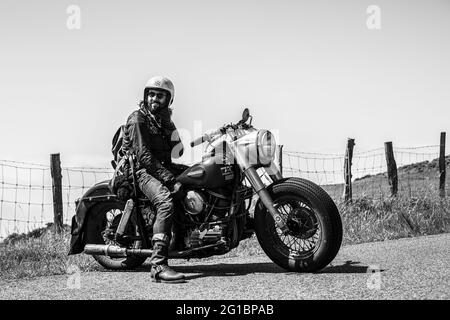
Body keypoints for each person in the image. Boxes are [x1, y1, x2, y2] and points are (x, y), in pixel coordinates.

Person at [121, 76, 186, 283]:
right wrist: (169, 179)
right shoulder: (138, 118)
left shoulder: (161, 120)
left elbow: (178, 152)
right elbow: (144, 156)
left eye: (159, 95)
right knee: (165, 200)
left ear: (168, 100)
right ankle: (158, 265)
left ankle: (182, 241)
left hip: (158, 168)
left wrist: (168, 123)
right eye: (151, 94)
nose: (154, 98)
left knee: (195, 178)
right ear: (145, 96)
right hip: (139, 171)